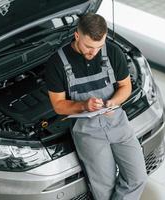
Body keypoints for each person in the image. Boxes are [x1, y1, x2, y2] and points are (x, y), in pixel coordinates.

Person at [45, 13, 147, 200]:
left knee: (138, 178)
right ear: (77, 36)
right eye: (89, 47)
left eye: (99, 46)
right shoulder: (57, 63)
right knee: (104, 189)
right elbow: (59, 106)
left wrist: (113, 101)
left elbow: (125, 87)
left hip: (117, 122)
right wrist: (84, 105)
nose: (94, 52)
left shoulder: (113, 52)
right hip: (88, 133)